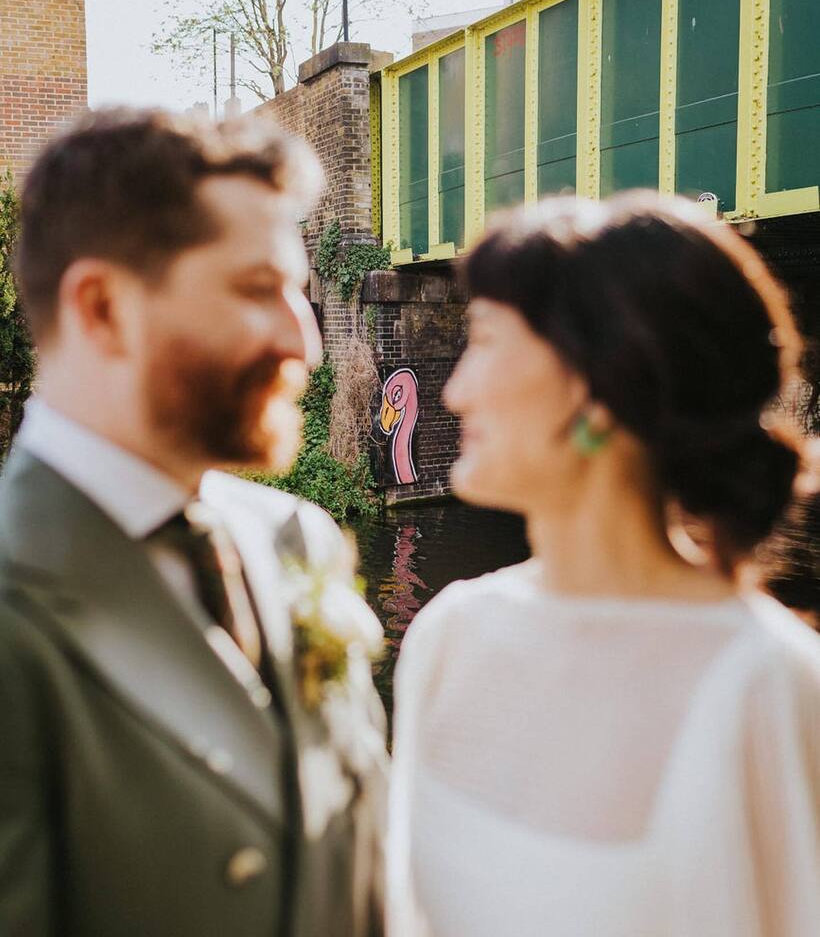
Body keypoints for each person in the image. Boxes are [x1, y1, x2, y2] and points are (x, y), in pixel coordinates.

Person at [388, 193, 820, 937]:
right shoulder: (451, 632)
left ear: (600, 386)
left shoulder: (769, 684)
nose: (453, 391)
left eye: (485, 340)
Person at [0, 108, 387, 937]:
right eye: (257, 290)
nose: (307, 344)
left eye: (299, 294)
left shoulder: (300, 537)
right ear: (103, 308)